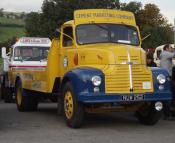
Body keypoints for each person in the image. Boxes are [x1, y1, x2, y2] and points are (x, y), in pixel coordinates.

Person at [160, 44, 175, 120]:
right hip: (166, 77)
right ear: (166, 48)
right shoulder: (165, 53)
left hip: (167, 76)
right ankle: (167, 114)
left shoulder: (166, 55)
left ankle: (168, 112)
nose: (172, 49)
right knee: (168, 94)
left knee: (171, 92)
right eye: (170, 48)